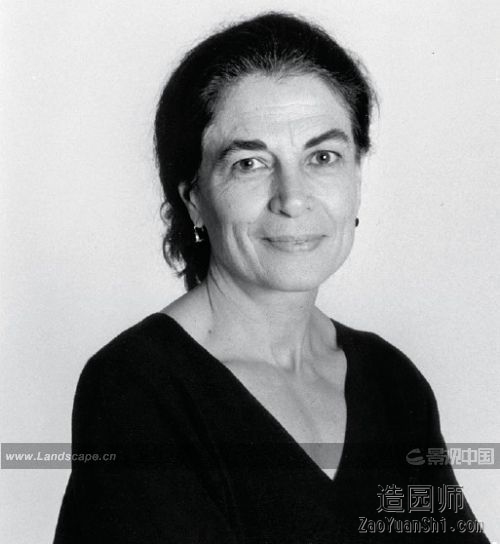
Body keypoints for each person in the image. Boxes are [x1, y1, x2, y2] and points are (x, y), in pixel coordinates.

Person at [54, 12, 490, 543]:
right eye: (250, 163)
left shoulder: (391, 382)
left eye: (323, 157)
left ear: (356, 176)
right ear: (194, 199)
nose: (293, 198)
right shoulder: (137, 388)